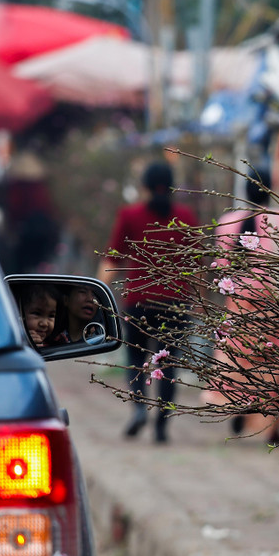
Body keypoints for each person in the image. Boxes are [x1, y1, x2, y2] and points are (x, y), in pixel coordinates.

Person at [98, 160, 199, 444]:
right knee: (169, 365)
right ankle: (161, 426)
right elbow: (197, 263)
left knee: (135, 360)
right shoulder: (187, 217)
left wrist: (94, 292)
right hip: (175, 303)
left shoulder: (130, 215)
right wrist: (199, 300)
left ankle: (140, 409)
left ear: (143, 185)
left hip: (138, 302)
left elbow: (112, 259)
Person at [201, 167, 279, 445]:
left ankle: (240, 406)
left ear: (245, 191)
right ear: (270, 189)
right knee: (273, 366)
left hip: (239, 306)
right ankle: (269, 426)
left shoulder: (226, 222)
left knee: (238, 362)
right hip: (272, 306)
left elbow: (220, 266)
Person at [17, 283, 61, 348]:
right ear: (19, 313)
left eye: (51, 315)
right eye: (37, 313)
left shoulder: (58, 341)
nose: (44, 324)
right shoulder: (15, 341)